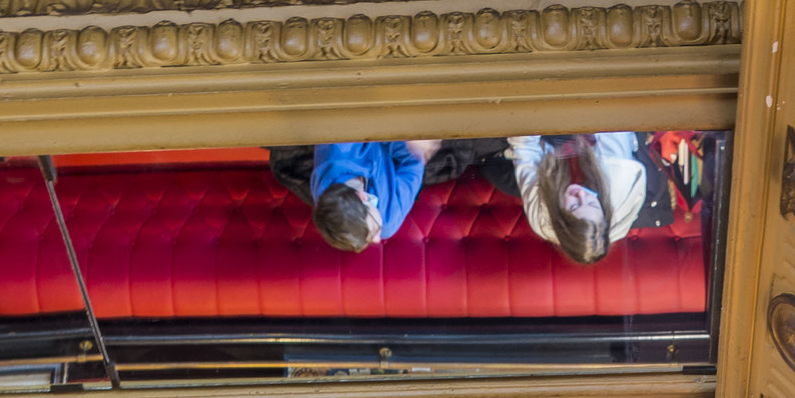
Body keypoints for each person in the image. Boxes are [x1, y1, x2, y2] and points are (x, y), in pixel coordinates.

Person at [268, 137, 508, 250]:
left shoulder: (336, 151)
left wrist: (400, 138)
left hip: (374, 140)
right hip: (400, 164)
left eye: (371, 231)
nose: (377, 239)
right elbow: (412, 165)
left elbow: (368, 118)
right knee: (483, 140)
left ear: (363, 198)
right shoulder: (388, 222)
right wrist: (416, 146)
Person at [506, 133, 648, 263]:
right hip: (601, 140)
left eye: (574, 206)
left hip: (555, 158)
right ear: (602, 207)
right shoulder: (617, 176)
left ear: (558, 215)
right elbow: (610, 119)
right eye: (592, 203)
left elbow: (525, 151)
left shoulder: (541, 220)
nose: (581, 195)